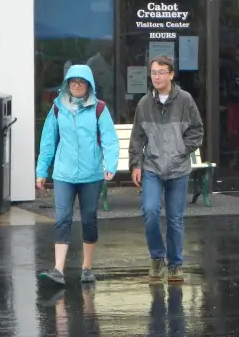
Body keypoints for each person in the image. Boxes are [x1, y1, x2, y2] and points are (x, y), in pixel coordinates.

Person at [36, 64, 119, 285]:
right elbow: (48, 141)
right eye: (73, 82)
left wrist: (110, 164)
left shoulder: (99, 109)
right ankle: (58, 269)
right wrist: (42, 170)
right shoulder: (57, 108)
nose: (77, 85)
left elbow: (110, 139)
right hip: (64, 174)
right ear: (67, 85)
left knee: (89, 219)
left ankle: (87, 268)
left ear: (89, 85)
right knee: (62, 218)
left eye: (81, 82)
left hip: (92, 175)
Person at [129, 55, 204, 283]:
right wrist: (135, 165)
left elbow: (197, 131)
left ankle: (175, 264)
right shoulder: (144, 104)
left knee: (175, 219)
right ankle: (157, 257)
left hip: (178, 168)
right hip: (152, 166)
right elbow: (137, 137)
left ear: (171, 74)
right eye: (153, 72)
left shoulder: (185, 100)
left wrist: (181, 149)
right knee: (150, 212)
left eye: (162, 72)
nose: (157, 76)